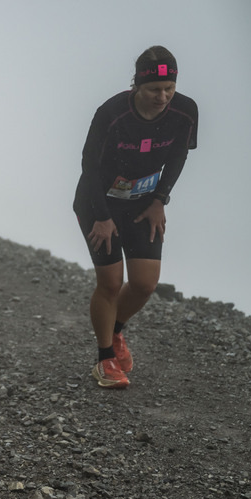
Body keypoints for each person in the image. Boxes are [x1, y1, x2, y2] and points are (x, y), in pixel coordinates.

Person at [73, 46, 198, 389]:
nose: (163, 97)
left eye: (169, 89)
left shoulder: (185, 112)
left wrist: (160, 200)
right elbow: (90, 168)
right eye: (154, 90)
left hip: (144, 203)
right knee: (111, 282)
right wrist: (101, 217)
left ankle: (116, 332)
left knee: (144, 283)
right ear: (136, 86)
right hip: (98, 202)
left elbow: (176, 158)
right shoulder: (111, 113)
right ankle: (104, 361)